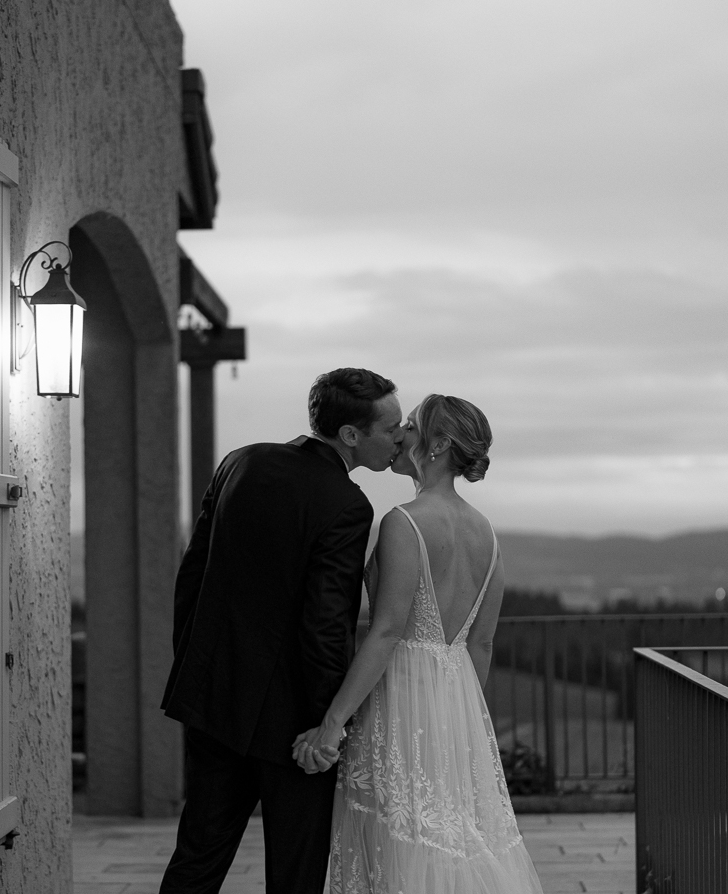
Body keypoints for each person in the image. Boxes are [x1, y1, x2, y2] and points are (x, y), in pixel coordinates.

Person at [158, 368, 403, 894]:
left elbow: (192, 577)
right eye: (391, 428)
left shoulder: (241, 461)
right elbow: (326, 624)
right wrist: (326, 727)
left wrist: (195, 669)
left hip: (214, 700)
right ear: (352, 435)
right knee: (296, 872)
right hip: (293, 723)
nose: (398, 439)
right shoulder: (347, 504)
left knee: (198, 855)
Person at [294, 394, 544, 894]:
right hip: (456, 705)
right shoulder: (487, 535)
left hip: (400, 699)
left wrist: (331, 725)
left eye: (410, 425)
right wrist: (462, 722)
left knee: (397, 840)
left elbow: (386, 632)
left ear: (438, 444)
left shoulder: (403, 522)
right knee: (449, 839)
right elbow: (482, 645)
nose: (400, 434)